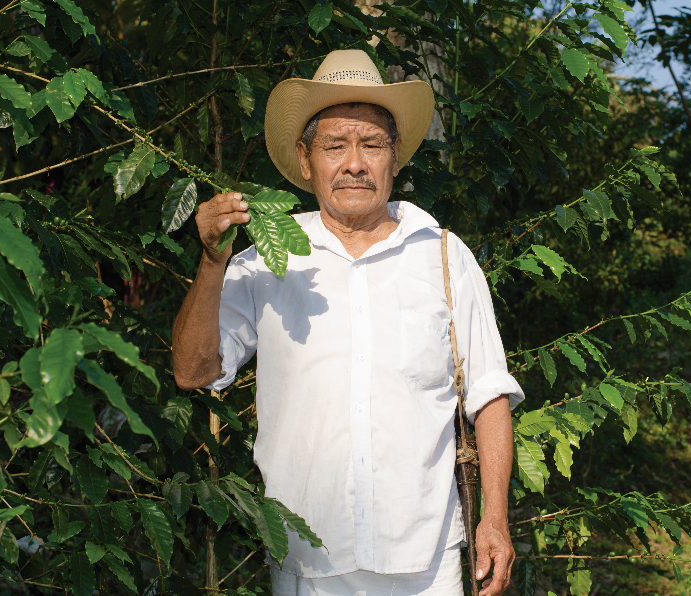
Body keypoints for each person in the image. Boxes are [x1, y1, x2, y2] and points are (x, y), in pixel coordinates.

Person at [172, 49, 524, 596]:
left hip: (426, 562)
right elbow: (193, 372)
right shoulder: (264, 260)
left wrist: (495, 521)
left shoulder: (445, 257)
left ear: (396, 156)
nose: (354, 163)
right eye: (335, 146)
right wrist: (213, 258)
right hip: (305, 561)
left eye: (372, 145)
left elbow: (490, 398)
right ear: (305, 158)